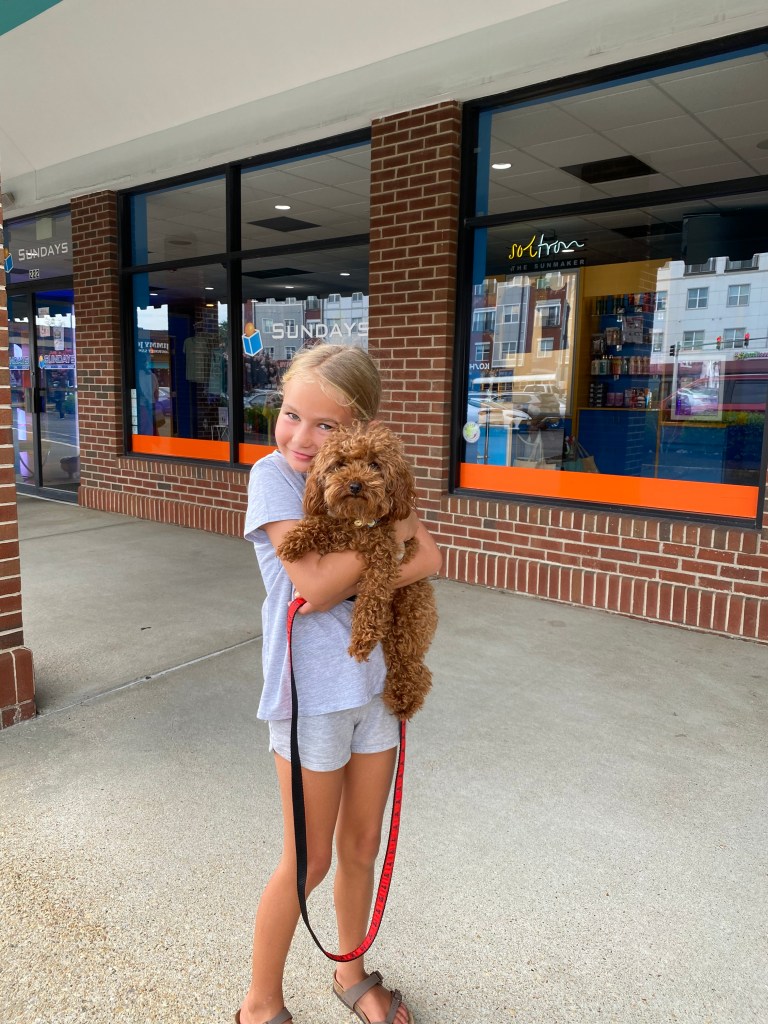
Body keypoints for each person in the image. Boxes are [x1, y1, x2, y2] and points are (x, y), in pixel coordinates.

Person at [240, 344, 441, 1024]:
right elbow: (317, 587)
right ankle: (260, 1003)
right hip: (311, 700)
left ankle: (349, 974)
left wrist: (385, 543)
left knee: (361, 847)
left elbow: (431, 556)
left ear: (360, 431)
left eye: (325, 425)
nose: (301, 436)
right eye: (291, 414)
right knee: (309, 860)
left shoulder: (375, 478)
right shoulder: (273, 478)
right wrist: (387, 538)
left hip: (376, 690)